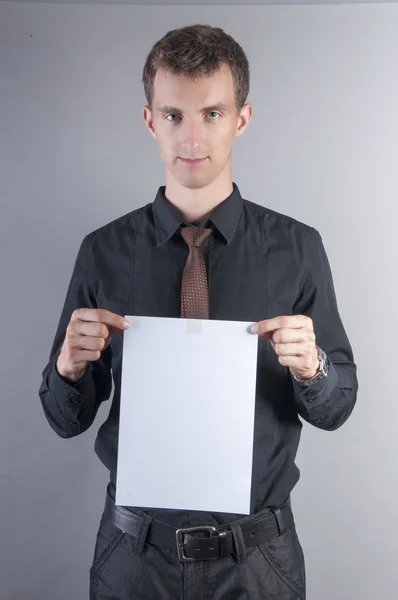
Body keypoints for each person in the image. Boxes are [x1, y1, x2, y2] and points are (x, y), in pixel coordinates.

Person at [38, 23, 358, 600]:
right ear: (149, 120)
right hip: (134, 558)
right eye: (173, 115)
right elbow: (66, 420)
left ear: (242, 118)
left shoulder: (298, 247)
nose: (191, 136)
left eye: (211, 114)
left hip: (257, 560)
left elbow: (337, 408)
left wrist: (313, 368)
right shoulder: (103, 251)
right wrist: (68, 371)